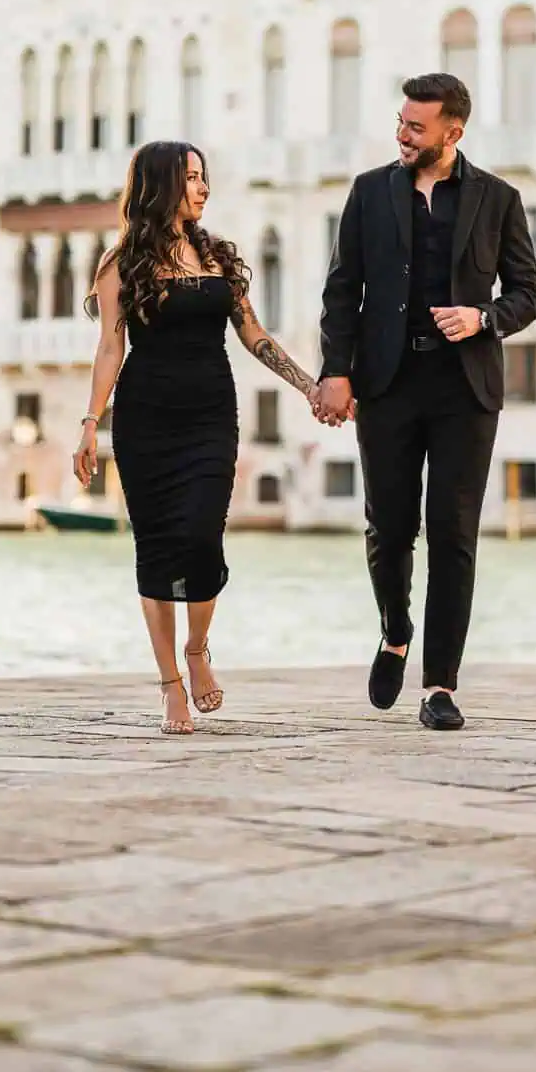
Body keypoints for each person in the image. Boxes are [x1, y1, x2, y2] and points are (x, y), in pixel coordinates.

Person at [313, 73, 536, 730]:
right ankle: (394, 629)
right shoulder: (366, 193)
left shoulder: (498, 199)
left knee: (453, 535)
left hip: (464, 390)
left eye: (416, 126)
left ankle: (439, 686)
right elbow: (341, 292)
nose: (402, 134)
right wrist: (336, 372)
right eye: (400, 122)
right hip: (385, 383)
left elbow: (528, 293)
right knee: (388, 529)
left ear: (453, 131)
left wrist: (483, 318)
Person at [74, 141, 318, 735]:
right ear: (161, 185)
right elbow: (111, 347)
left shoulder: (217, 257)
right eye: (191, 178)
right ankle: (169, 686)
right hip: (145, 419)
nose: (203, 188)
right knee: (156, 549)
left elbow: (253, 333)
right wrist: (89, 423)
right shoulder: (120, 264)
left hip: (211, 415)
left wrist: (308, 385)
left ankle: (197, 647)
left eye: (205, 176)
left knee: (203, 537)